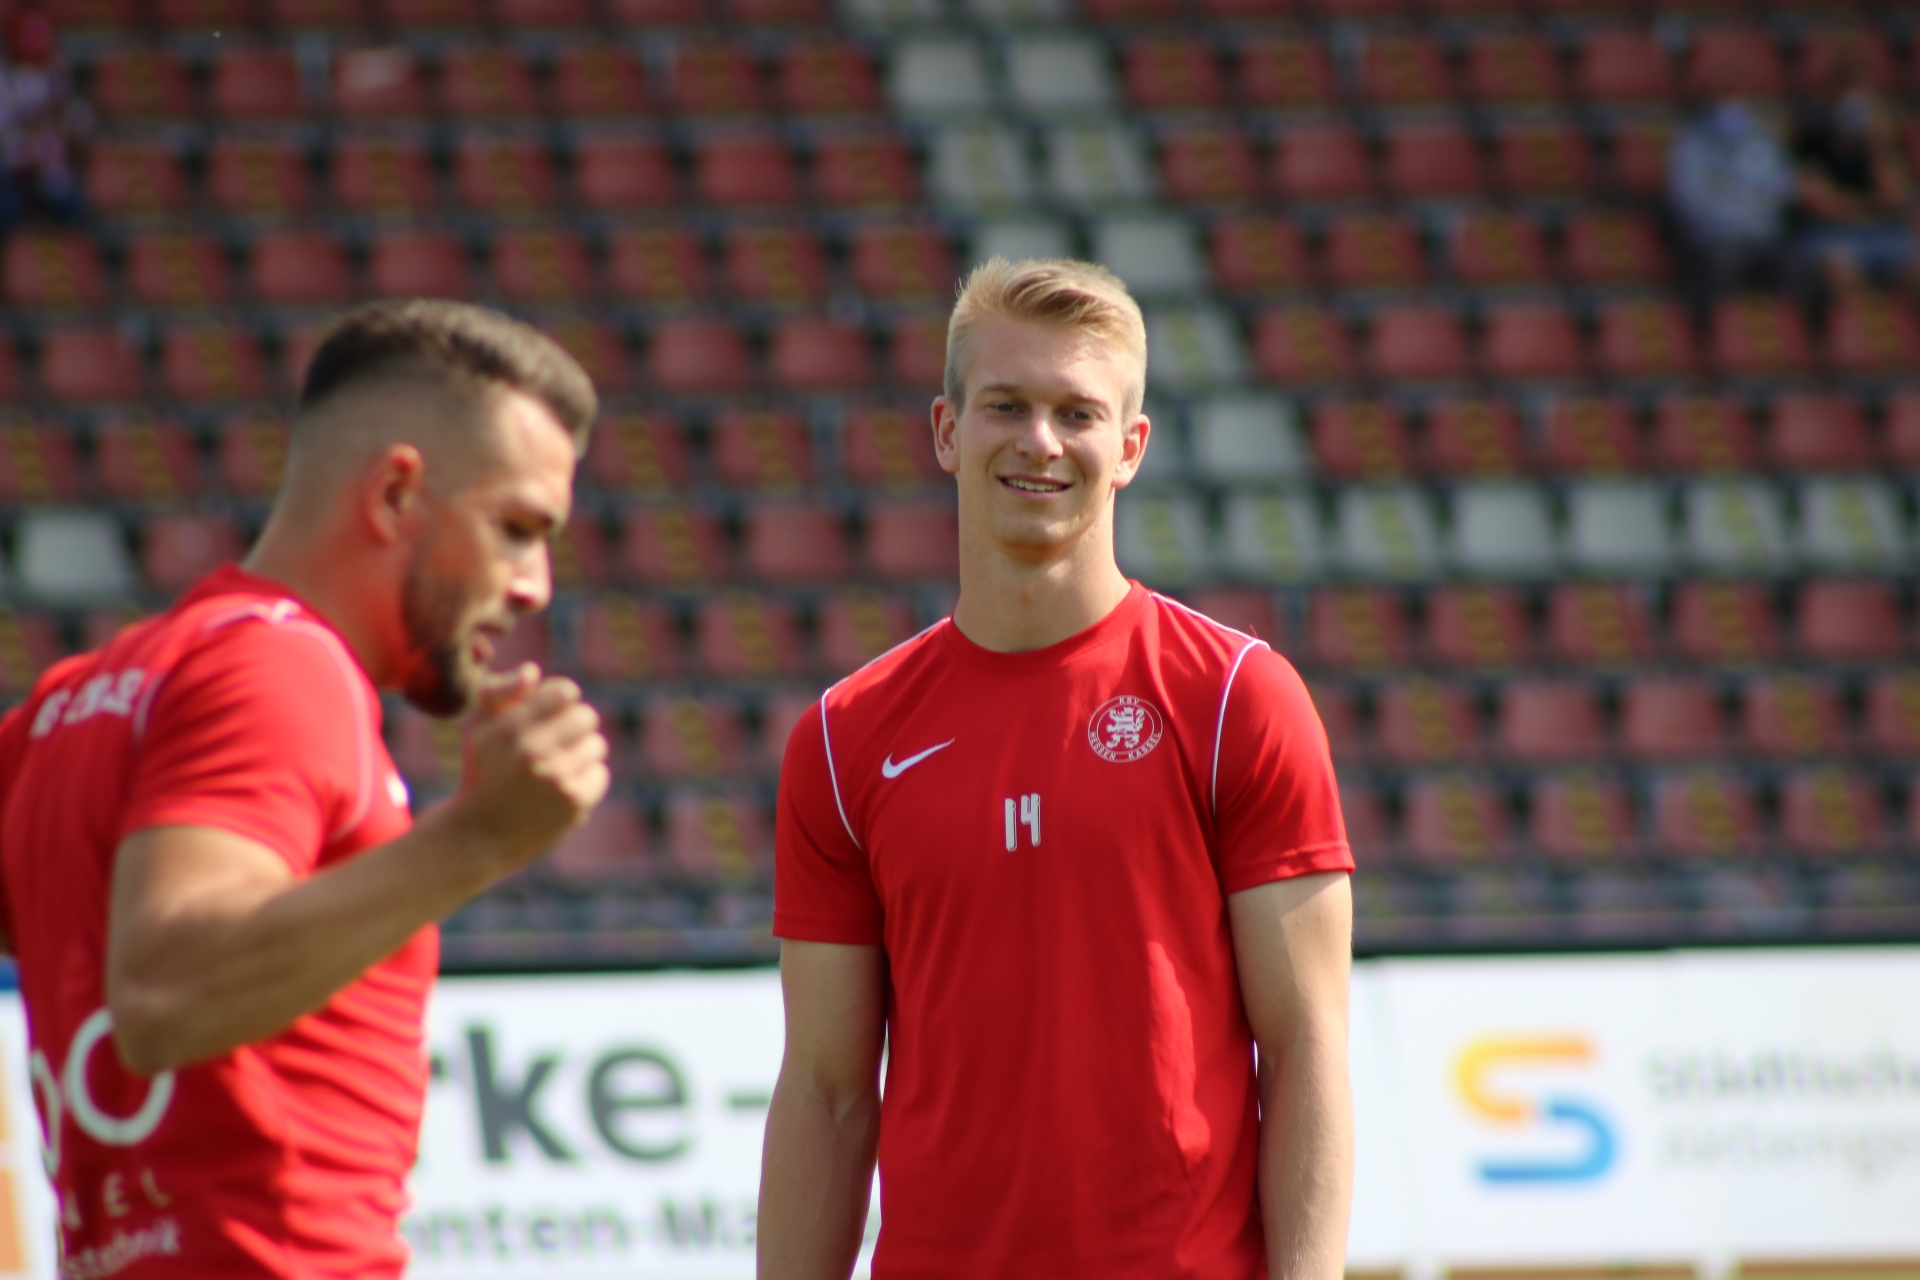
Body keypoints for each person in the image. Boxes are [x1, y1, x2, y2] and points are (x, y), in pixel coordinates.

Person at [758, 258, 1355, 1280]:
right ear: (947, 430)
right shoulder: (842, 738)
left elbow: (1306, 1045)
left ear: (1129, 448)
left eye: (1078, 414)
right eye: (1006, 405)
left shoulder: (1234, 699)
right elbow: (824, 1091)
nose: (1040, 440)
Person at [0, 300, 611, 1277]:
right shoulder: (283, 668)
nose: (535, 583)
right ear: (396, 494)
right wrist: (479, 837)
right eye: (515, 528)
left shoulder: (76, 701)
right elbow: (163, 990)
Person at [1791, 45, 1918, 293]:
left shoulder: (1887, 139)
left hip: (1885, 232)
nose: (1854, 101)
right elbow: (1819, 204)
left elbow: (1895, 197)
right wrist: (1871, 207)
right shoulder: (1813, 140)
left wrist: (1877, 146)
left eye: (1862, 92)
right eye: (1846, 91)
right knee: (1840, 270)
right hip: (1833, 234)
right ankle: (1860, 317)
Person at [1668, 99, 1798, 294]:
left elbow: (1782, 191)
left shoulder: (1764, 141)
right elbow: (1687, 199)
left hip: (1761, 236)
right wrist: (1734, 217)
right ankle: (1715, 313)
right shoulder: (1693, 142)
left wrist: (1754, 216)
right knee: (1723, 264)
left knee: (1793, 266)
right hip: (1714, 237)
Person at [0, 4, 89, 231]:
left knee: (73, 209)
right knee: (7, 207)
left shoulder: (58, 73)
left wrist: (63, 128)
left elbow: (81, 126)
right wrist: (33, 121)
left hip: (50, 168)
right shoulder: (5, 79)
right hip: (11, 168)